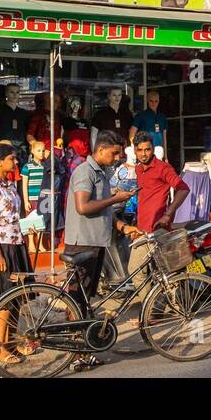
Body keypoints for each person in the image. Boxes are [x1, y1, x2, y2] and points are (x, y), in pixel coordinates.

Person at [62, 131, 136, 369]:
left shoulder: (102, 173)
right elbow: (83, 206)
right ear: (101, 149)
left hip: (96, 243)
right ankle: (75, 354)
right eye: (114, 153)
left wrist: (122, 226)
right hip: (82, 243)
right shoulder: (85, 172)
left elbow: (102, 209)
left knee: (85, 300)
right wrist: (115, 199)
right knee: (77, 301)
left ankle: (83, 351)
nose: (117, 158)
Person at [0, 143, 32, 366]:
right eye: (12, 159)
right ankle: (0, 349)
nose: (16, 162)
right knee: (5, 299)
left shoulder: (10, 185)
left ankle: (12, 343)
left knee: (17, 299)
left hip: (16, 243)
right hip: (1, 247)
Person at [131, 90, 169, 160]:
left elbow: (164, 137)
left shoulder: (162, 117)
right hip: (145, 151)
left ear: (159, 101)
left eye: (156, 101)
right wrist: (136, 150)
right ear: (147, 101)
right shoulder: (141, 116)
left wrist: (166, 157)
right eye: (151, 101)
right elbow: (132, 133)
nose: (153, 103)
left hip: (158, 151)